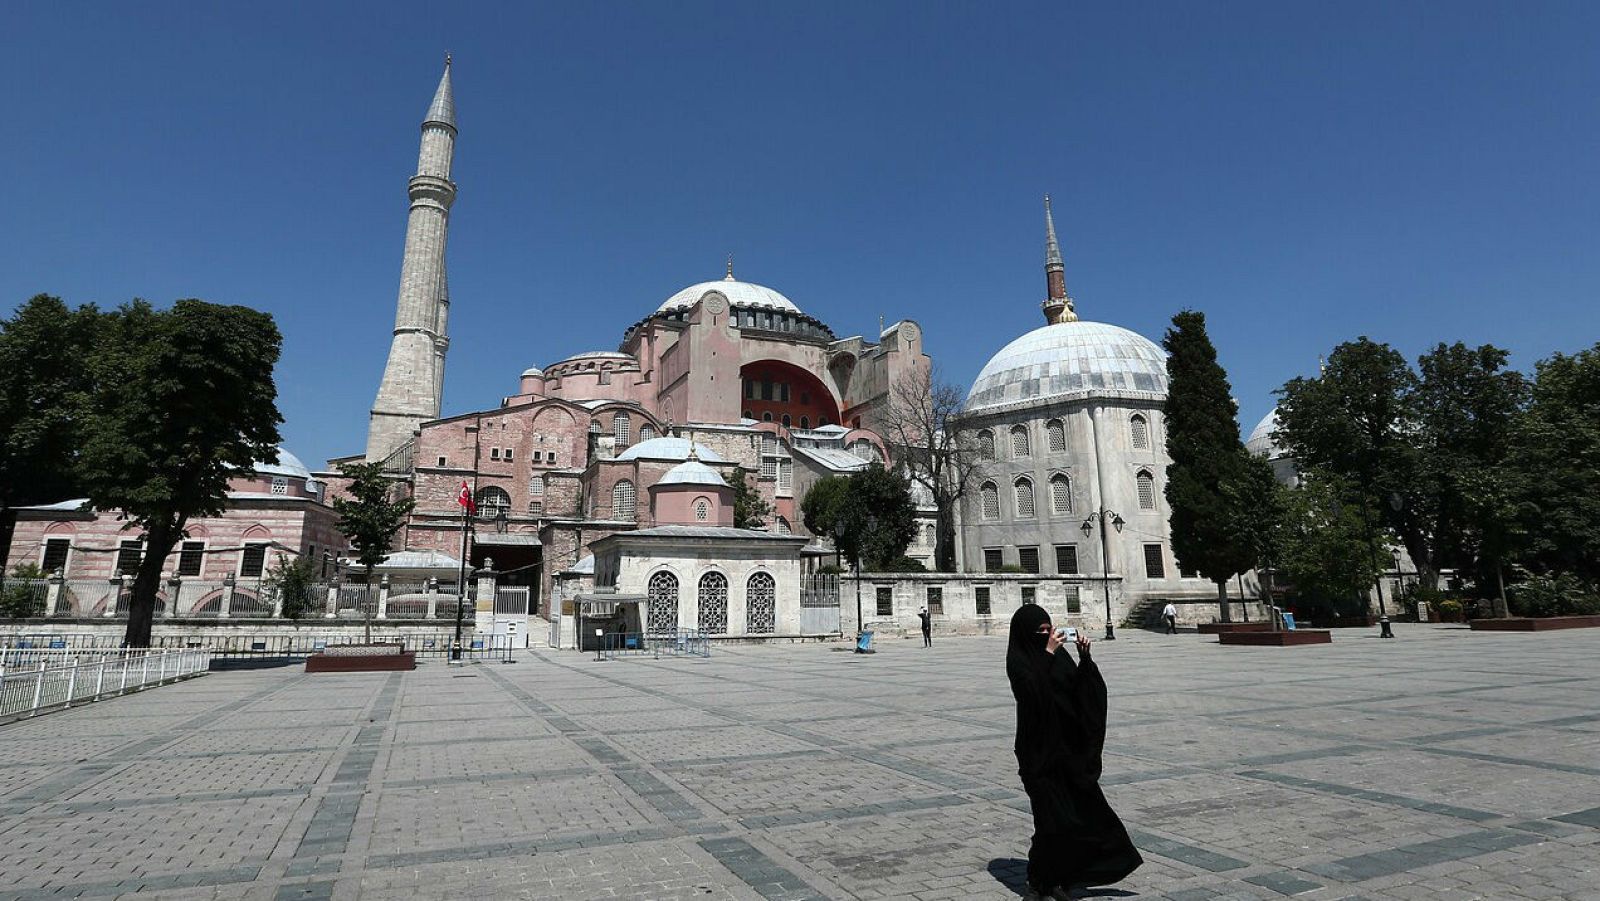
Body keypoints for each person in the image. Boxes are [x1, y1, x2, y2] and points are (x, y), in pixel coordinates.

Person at [1006, 604, 1142, 899]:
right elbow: (1031, 694)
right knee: (1050, 821)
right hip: (1038, 755)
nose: (1046, 635)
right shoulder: (1019, 661)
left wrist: (1085, 658)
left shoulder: (1058, 655)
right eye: (1039, 632)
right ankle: (1037, 880)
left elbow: (1080, 692)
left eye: (1048, 630)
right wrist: (1048, 653)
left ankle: (1058, 880)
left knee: (1077, 819)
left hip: (1068, 752)